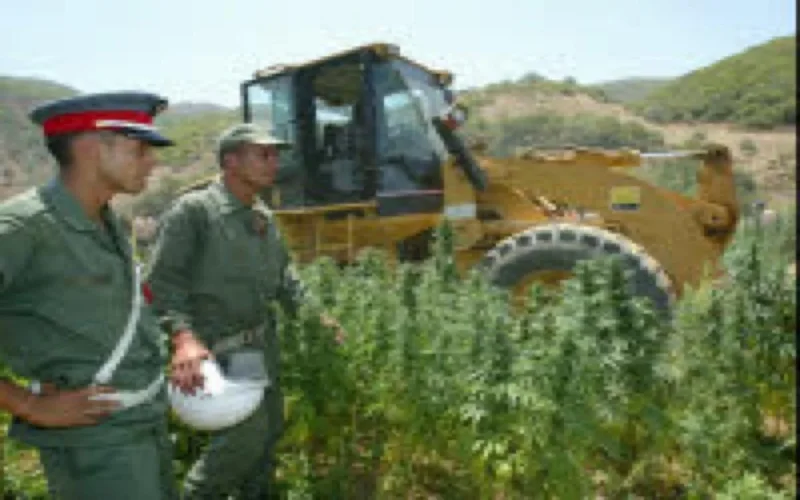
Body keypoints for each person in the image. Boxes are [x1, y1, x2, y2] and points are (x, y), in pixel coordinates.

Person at [145, 122, 345, 499]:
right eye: (263, 154)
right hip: (218, 348)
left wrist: (315, 314)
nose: (274, 162)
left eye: (276, 154)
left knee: (267, 436)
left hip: (258, 346)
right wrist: (184, 339)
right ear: (231, 161)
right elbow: (161, 283)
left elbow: (284, 277)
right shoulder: (196, 211)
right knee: (242, 441)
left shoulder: (261, 215)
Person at [0, 91, 178, 499]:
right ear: (94, 148)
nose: (153, 161)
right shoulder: (25, 227)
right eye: (141, 148)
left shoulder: (108, 221)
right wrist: (30, 406)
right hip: (96, 450)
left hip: (142, 429)